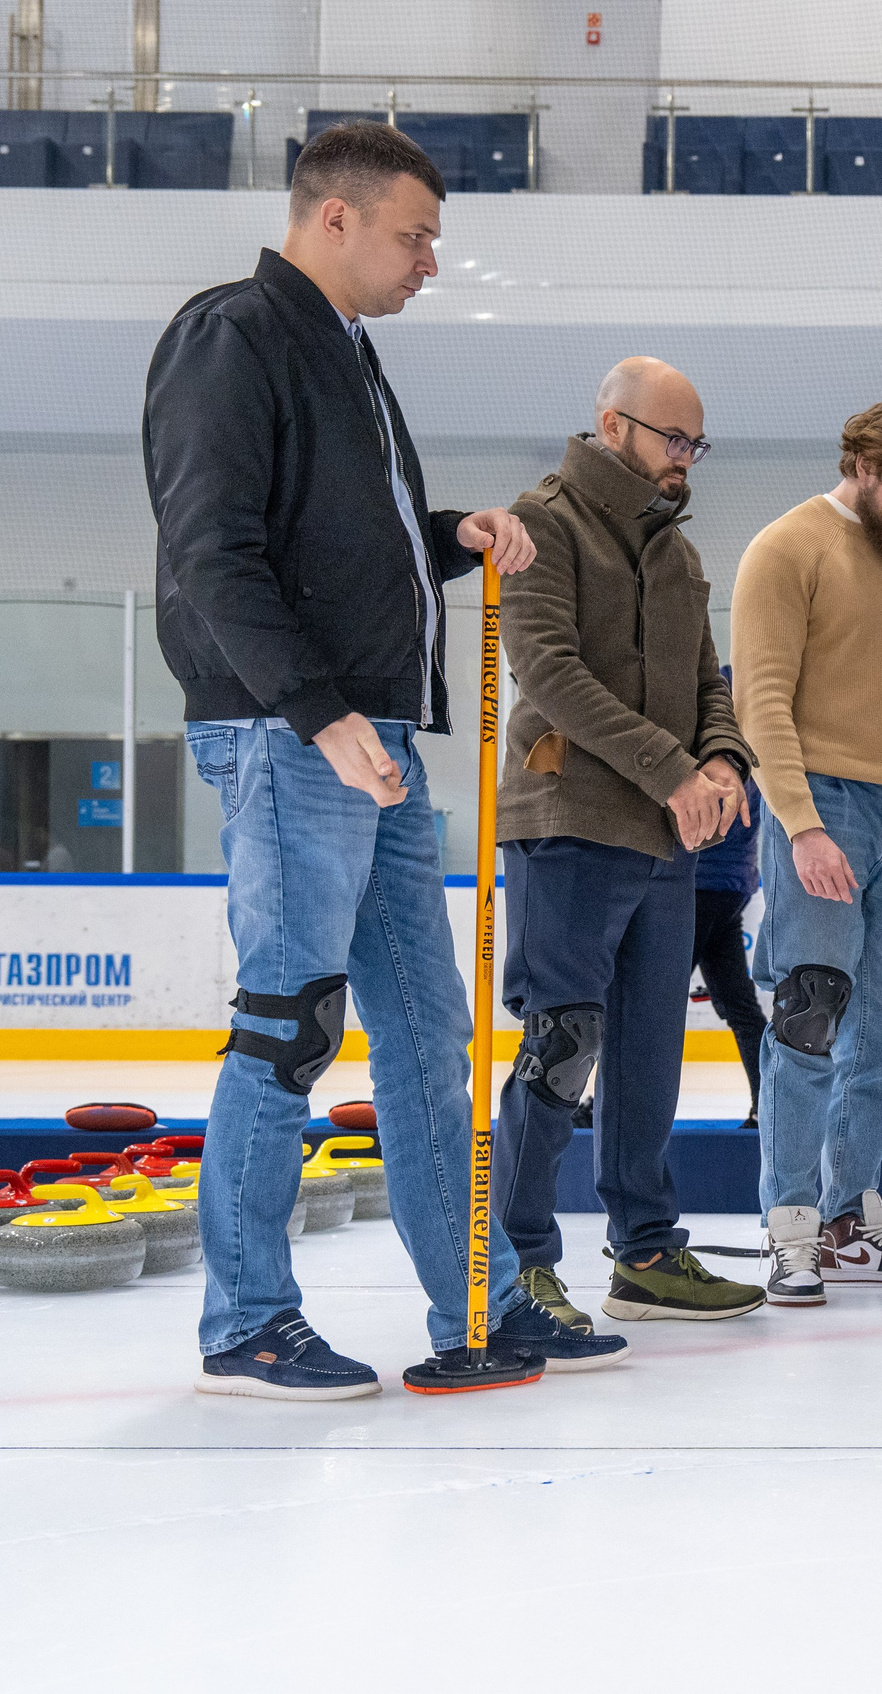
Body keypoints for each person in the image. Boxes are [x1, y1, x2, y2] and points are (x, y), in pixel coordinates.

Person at [145, 121, 622, 1396]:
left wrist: (446, 534)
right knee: (292, 1021)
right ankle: (245, 1318)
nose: (429, 263)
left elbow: (344, 544)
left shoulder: (346, 355)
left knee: (425, 1036)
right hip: (298, 733)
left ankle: (471, 1302)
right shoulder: (233, 335)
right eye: (415, 236)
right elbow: (214, 548)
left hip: (374, 738)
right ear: (335, 218)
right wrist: (315, 710)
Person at [490, 357, 767, 1330]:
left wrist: (725, 762)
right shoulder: (545, 525)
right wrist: (675, 770)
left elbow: (707, 685)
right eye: (672, 439)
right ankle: (516, 1261)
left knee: (650, 1051)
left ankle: (646, 1250)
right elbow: (550, 673)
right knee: (564, 1041)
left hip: (667, 834)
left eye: (695, 443)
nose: (686, 458)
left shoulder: (676, 554)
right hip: (567, 824)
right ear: (614, 426)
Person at [731, 393, 882, 1304]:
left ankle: (848, 1215)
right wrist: (800, 823)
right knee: (808, 1018)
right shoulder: (787, 549)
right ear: (863, 467)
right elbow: (761, 700)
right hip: (823, 804)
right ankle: (790, 1225)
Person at [692, 667, 769, 1131]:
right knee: (739, 1004)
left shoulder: (723, 764)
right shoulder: (752, 757)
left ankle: (605, 1108)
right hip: (730, 888)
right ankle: (768, 1106)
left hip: (703, 886)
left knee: (640, 1005)